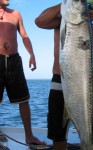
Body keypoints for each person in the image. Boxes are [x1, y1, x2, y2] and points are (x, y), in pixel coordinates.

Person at [35, 0, 93, 149]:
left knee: (88, 132)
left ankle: (87, 144)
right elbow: (39, 21)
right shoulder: (61, 21)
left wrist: (88, 37)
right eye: (89, 6)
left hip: (83, 84)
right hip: (59, 81)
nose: (92, 11)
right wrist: (63, 5)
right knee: (58, 135)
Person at [0, 0, 46, 146]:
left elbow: (24, 35)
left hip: (14, 61)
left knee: (23, 100)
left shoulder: (15, 14)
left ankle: (29, 136)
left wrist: (32, 54)